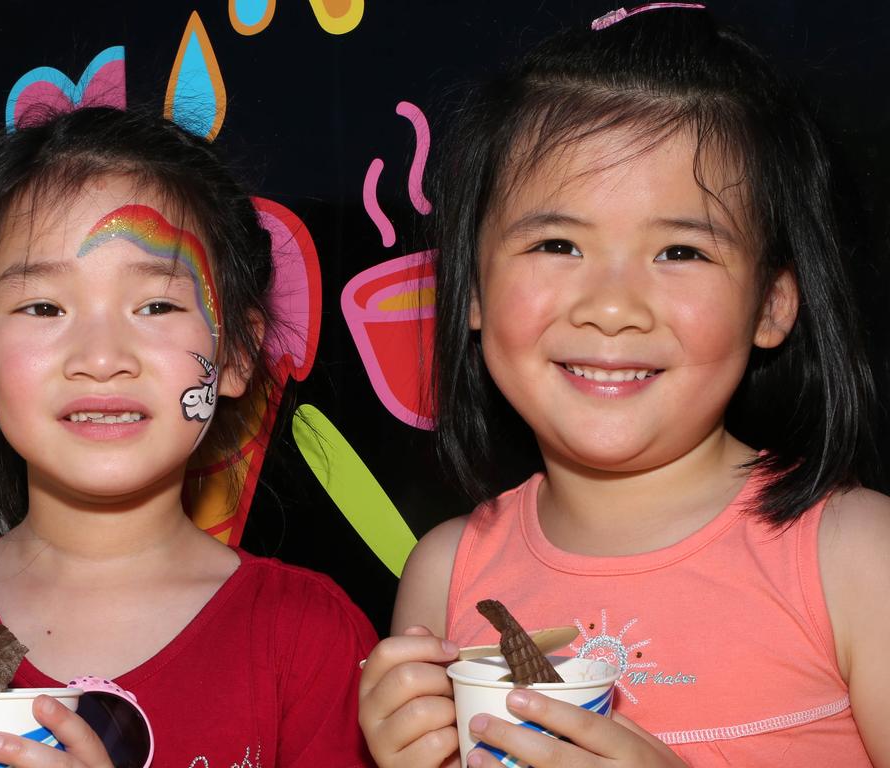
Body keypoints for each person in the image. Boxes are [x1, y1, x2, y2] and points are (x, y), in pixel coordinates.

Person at [359, 5, 889, 767]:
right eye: (557, 243)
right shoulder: (446, 576)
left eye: (679, 251)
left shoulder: (857, 555)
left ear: (772, 304)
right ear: (470, 288)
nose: (610, 308)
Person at [0, 106, 377, 768]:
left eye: (156, 306)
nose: (102, 356)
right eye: (44, 307)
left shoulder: (309, 637)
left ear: (236, 355)